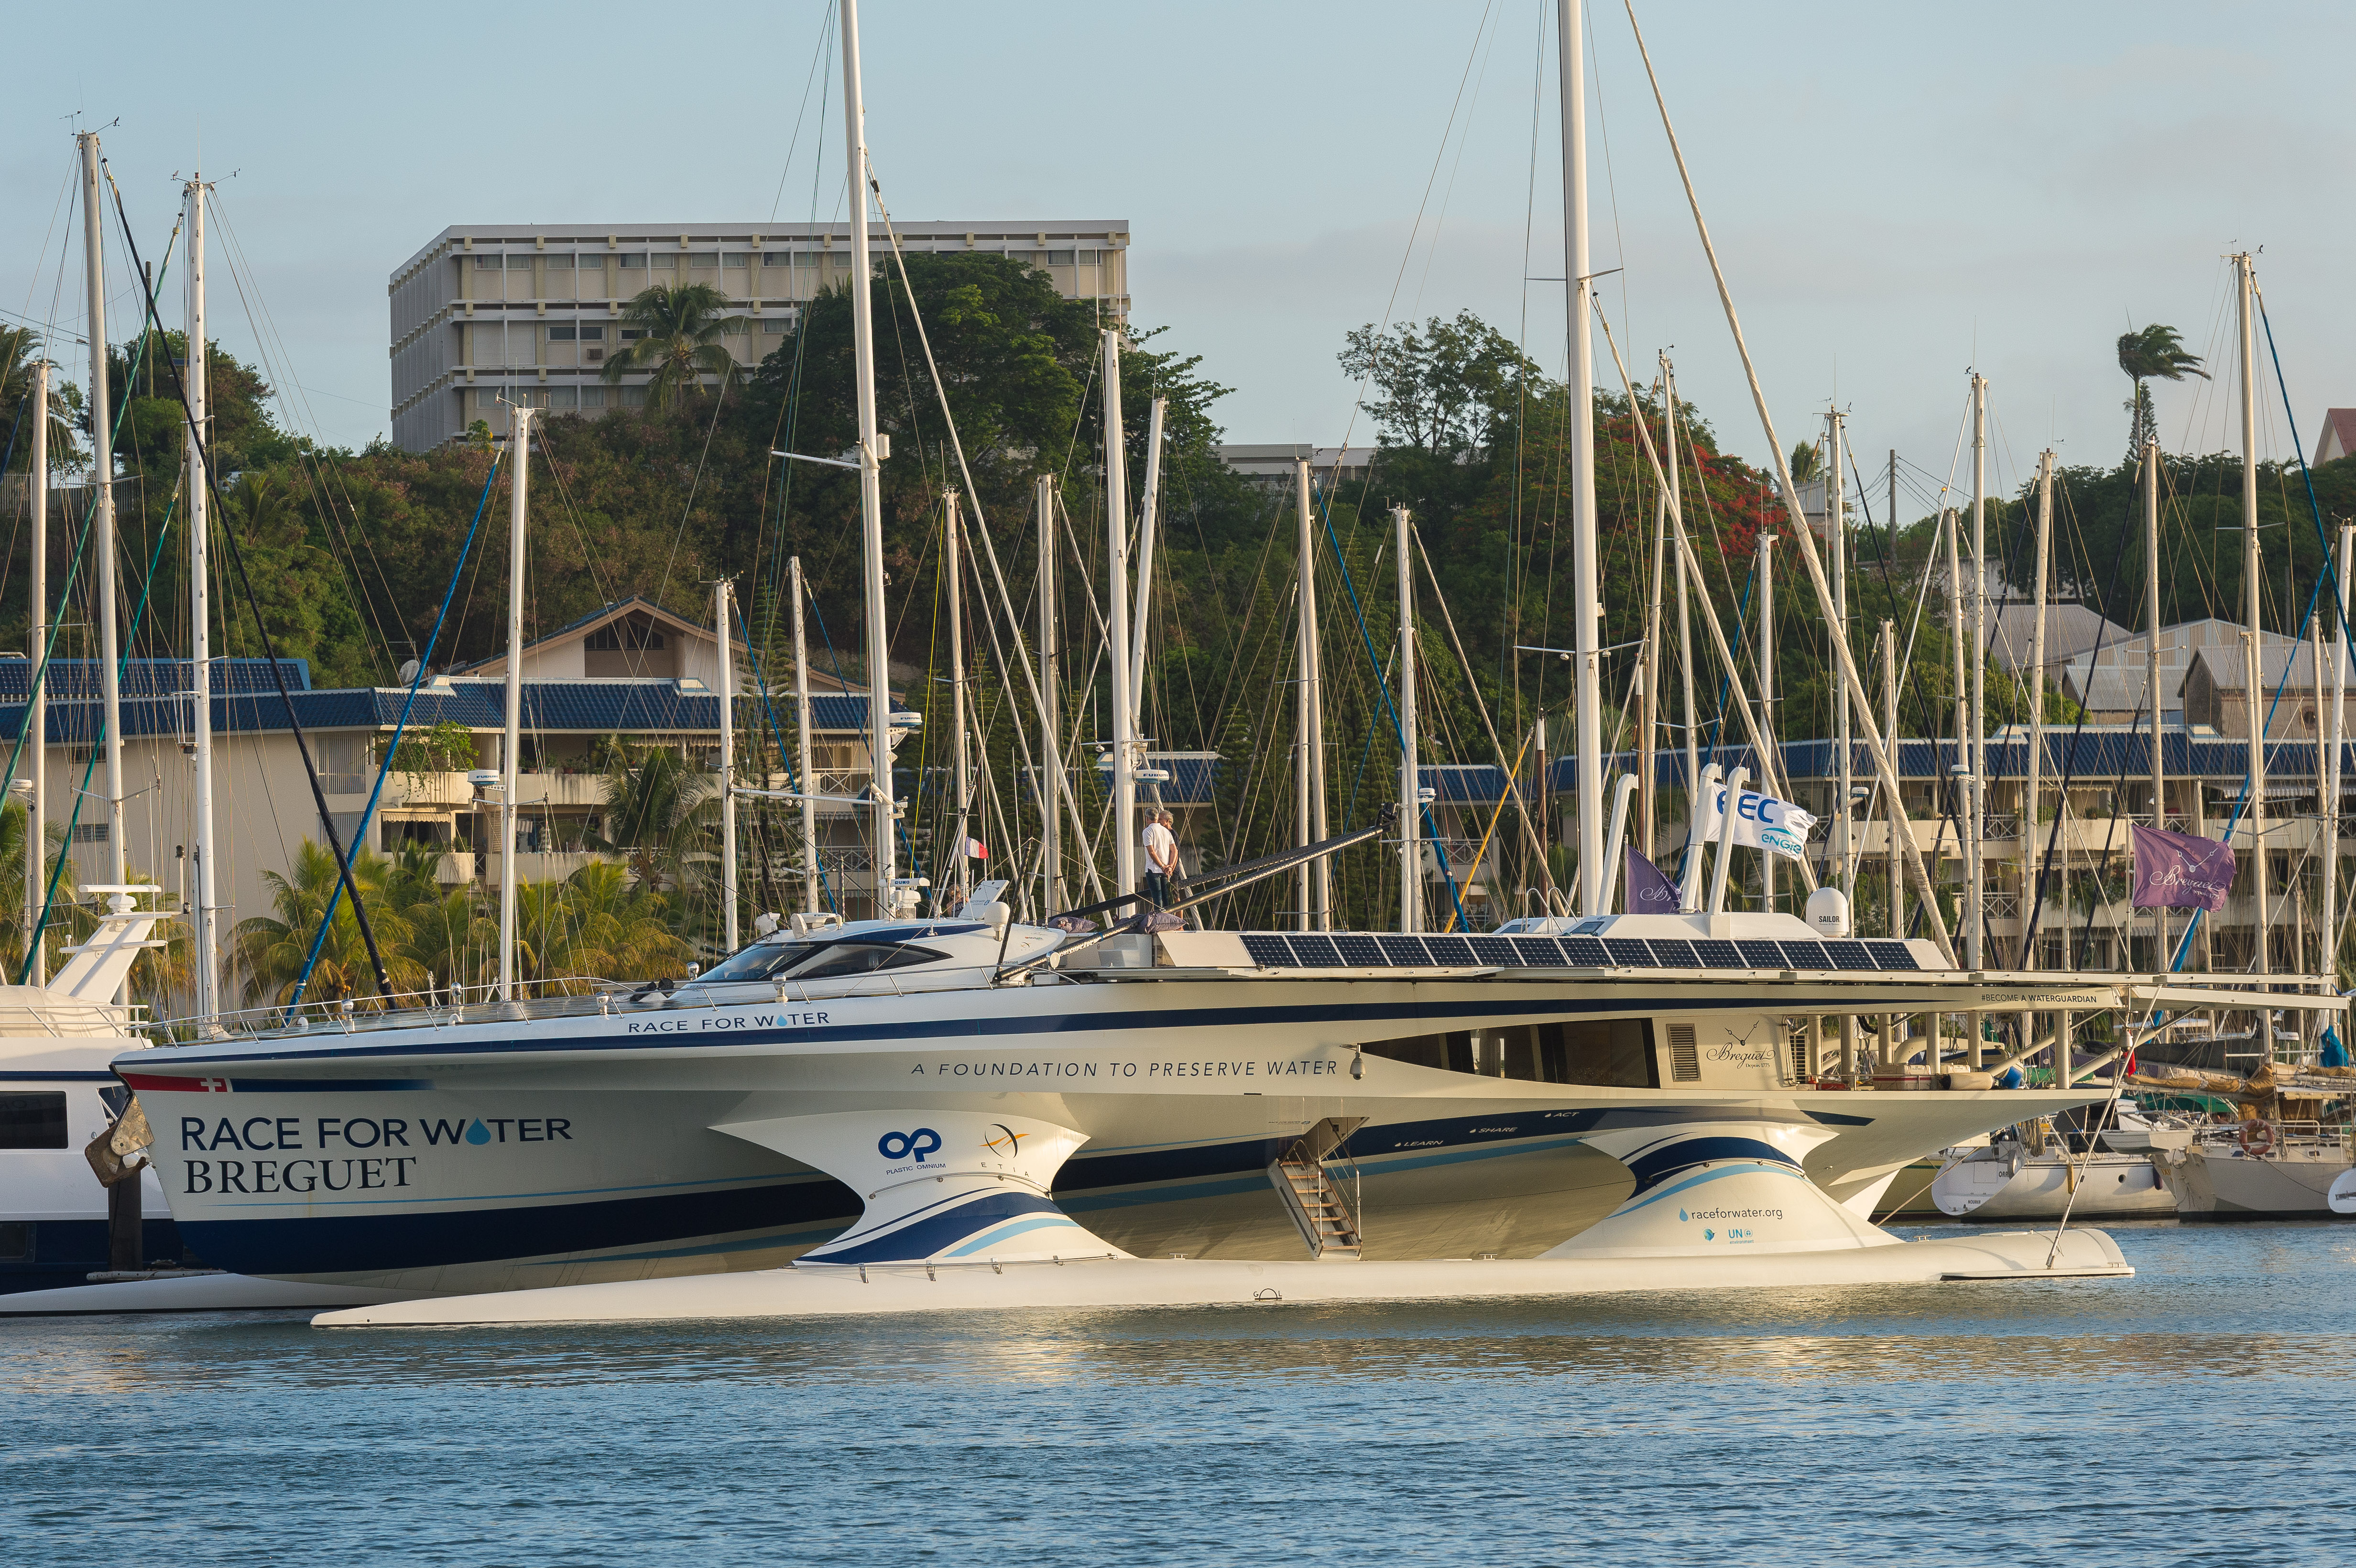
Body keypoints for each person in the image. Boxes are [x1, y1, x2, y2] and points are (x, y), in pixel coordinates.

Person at [1141, 807, 1178, 911]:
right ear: (1157, 818)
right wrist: (1170, 866)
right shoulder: (1166, 832)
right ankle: (1168, 921)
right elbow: (1175, 850)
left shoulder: (1147, 831)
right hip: (1166, 871)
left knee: (1158, 900)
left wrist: (1162, 866)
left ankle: (1160, 923)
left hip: (1153, 870)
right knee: (1167, 900)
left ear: (1147, 818)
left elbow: (1152, 852)